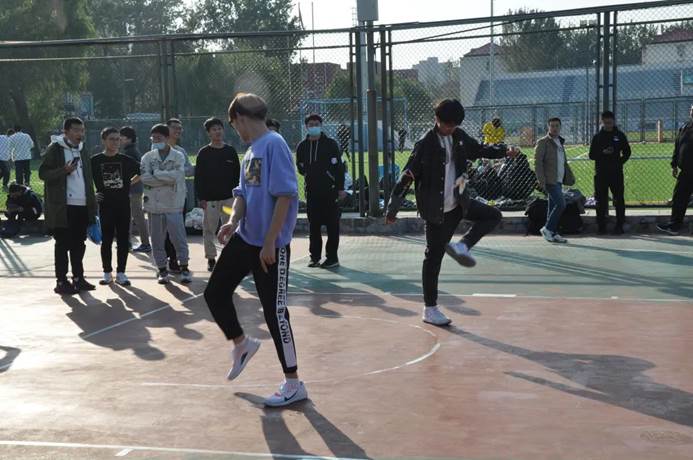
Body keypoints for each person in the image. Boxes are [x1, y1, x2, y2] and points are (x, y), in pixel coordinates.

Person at [204, 93, 306, 407]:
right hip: (245, 238)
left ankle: (294, 383)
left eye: (234, 125)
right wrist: (233, 221)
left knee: (275, 313)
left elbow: (285, 196)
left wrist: (270, 241)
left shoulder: (274, 144)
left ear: (241, 118)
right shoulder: (251, 151)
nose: (235, 131)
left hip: (269, 245)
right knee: (215, 292)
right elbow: (243, 194)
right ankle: (242, 344)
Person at [386, 99, 519, 326]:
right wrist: (393, 207)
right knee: (433, 258)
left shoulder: (459, 136)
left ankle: (462, 246)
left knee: (493, 215)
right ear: (437, 119)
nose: (450, 129)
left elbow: (479, 149)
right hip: (436, 210)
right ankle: (430, 309)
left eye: (454, 125)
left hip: (460, 201)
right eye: (447, 125)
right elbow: (407, 176)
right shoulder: (425, 144)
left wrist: (504, 150)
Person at [39, 118, 98, 295]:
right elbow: (43, 173)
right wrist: (63, 171)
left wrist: (92, 203)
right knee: (62, 244)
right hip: (63, 207)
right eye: (76, 130)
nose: (80, 133)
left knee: (79, 243)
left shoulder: (83, 149)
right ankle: (61, 281)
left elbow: (88, 178)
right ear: (66, 131)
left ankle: (78, 278)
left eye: (82, 130)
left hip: (82, 204)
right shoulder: (55, 149)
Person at [140, 124, 192, 284]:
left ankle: (184, 267)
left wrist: (157, 173)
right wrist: (165, 179)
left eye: (159, 137)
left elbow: (177, 176)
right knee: (156, 239)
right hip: (154, 205)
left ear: (167, 138)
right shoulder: (147, 157)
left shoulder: (178, 156)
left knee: (178, 237)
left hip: (173, 203)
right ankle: (162, 269)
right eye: (153, 138)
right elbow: (145, 178)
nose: (156, 140)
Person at [91, 127, 140, 286]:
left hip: (123, 204)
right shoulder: (95, 160)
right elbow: (83, 179)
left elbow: (142, 171)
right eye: (111, 139)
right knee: (106, 239)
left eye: (118, 139)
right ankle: (107, 272)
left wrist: (129, 183)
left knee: (123, 239)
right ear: (104, 140)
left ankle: (121, 273)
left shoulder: (126, 160)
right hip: (105, 205)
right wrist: (92, 195)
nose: (115, 142)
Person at [296, 114, 346, 268]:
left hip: (330, 192)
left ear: (321, 125)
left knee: (332, 225)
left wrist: (340, 188)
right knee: (314, 226)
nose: (314, 127)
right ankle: (314, 257)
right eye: (311, 124)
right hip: (312, 192)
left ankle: (332, 258)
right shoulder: (302, 146)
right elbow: (300, 167)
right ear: (306, 127)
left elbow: (339, 168)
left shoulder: (330, 144)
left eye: (316, 124)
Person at [194, 117, 240, 272]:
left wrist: (238, 196)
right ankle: (211, 258)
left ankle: (230, 257)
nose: (217, 132)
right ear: (209, 133)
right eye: (214, 129)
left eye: (219, 128)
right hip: (210, 201)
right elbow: (199, 177)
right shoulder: (203, 153)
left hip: (229, 199)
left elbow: (237, 175)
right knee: (209, 229)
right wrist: (201, 198)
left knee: (230, 227)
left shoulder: (230, 151)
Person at [589, 110, 631, 235]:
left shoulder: (620, 135)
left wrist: (619, 162)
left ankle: (619, 225)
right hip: (601, 173)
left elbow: (627, 152)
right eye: (606, 123)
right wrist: (602, 152)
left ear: (614, 121)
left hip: (616, 173)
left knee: (618, 199)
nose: (608, 125)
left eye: (610, 123)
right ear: (602, 122)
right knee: (600, 200)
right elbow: (591, 155)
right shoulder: (597, 137)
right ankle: (601, 226)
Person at [534, 118, 575, 244]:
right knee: (561, 204)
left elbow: (562, 161)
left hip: (559, 179)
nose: (554, 128)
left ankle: (553, 232)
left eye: (557, 126)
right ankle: (547, 229)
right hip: (549, 180)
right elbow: (538, 163)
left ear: (560, 127)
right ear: (548, 127)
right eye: (552, 126)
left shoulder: (560, 142)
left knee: (552, 206)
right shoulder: (543, 142)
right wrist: (541, 180)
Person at [163, 118, 195, 273]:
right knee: (164, 230)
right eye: (174, 127)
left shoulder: (181, 151)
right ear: (166, 129)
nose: (178, 130)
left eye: (180, 128)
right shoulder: (158, 149)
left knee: (178, 229)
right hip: (163, 198)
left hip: (180, 196)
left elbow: (189, 169)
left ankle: (176, 259)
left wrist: (179, 171)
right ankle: (165, 260)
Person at [658, 104, 693, 236]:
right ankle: (674, 226)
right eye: (692, 110)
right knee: (678, 198)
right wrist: (674, 164)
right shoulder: (684, 127)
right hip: (685, 172)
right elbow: (677, 146)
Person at [120, 126, 151, 253]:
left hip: (134, 190)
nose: (119, 140)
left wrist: (128, 183)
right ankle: (126, 242)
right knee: (128, 215)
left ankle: (145, 243)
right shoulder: (129, 150)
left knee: (137, 216)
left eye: (122, 137)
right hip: (132, 189)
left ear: (129, 138)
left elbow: (141, 172)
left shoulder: (131, 152)